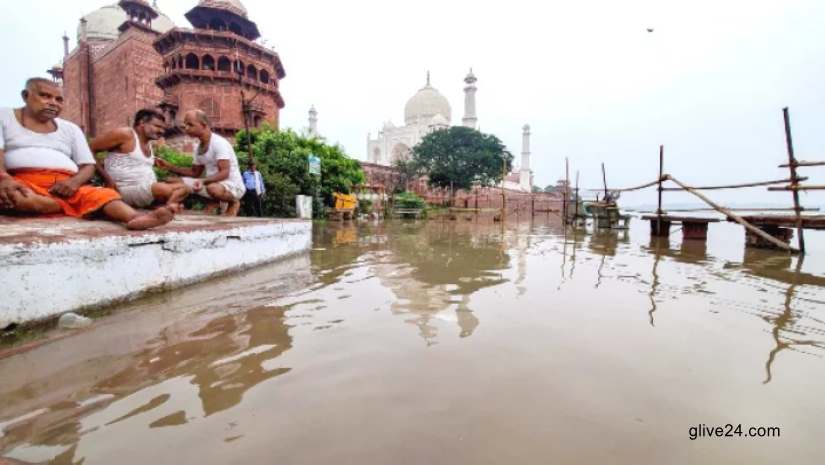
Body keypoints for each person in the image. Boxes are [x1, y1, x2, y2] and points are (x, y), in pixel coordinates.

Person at [0, 78, 173, 229]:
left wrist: (74, 183)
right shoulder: (5, 116)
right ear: (25, 96)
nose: (53, 102)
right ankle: (67, 206)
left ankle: (136, 218)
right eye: (45, 96)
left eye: (59, 99)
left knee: (103, 195)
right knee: (14, 197)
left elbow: (88, 165)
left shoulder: (70, 128)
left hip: (67, 185)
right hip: (22, 181)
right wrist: (5, 178)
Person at [90, 108, 189, 212]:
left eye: (163, 128)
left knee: (185, 188)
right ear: (142, 122)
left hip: (147, 190)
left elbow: (132, 159)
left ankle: (165, 207)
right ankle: (167, 208)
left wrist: (154, 161)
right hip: (123, 189)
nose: (161, 131)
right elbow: (89, 149)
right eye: (157, 126)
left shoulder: (148, 143)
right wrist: (107, 180)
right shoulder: (125, 134)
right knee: (163, 189)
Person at [155, 110, 245, 216]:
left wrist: (203, 181)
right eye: (185, 125)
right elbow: (194, 173)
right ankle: (212, 202)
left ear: (203, 125)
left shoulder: (219, 143)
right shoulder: (198, 148)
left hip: (232, 186)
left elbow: (225, 173)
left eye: (190, 125)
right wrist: (169, 166)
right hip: (210, 184)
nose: (186, 128)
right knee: (171, 182)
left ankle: (233, 201)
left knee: (213, 189)